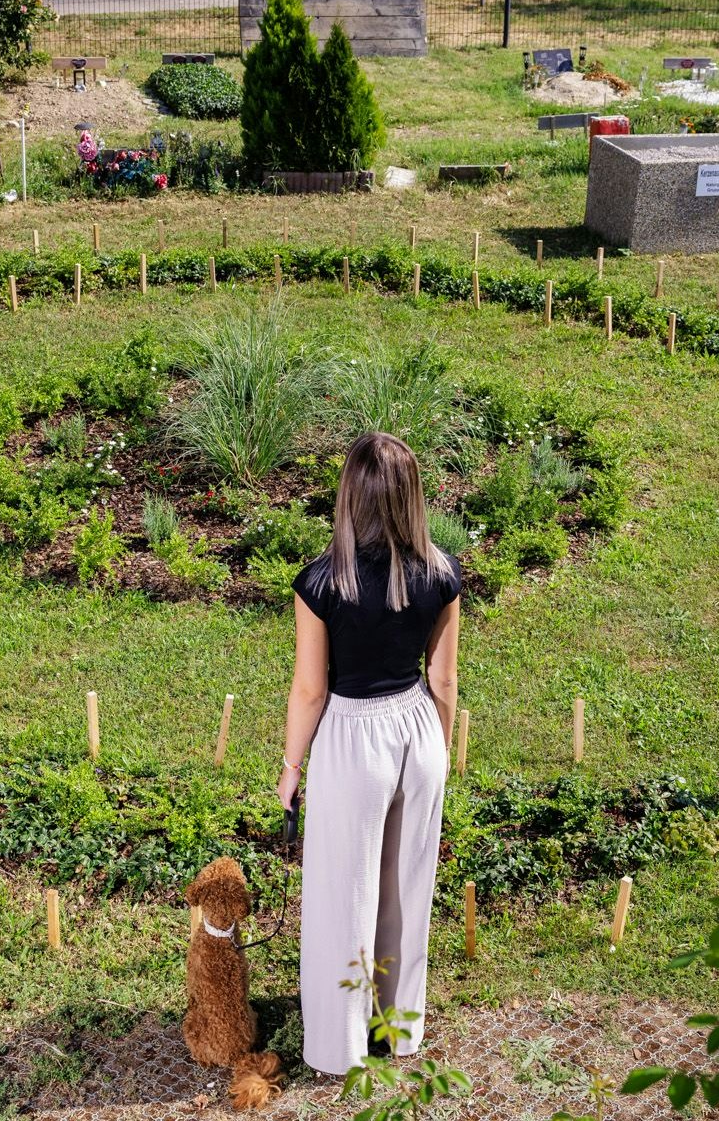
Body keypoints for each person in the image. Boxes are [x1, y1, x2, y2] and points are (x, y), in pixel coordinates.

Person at [275, 431, 463, 1075]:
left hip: (353, 736)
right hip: (417, 728)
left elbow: (309, 689)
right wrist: (436, 752)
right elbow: (443, 681)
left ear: (349, 497)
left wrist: (291, 768)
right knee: (406, 887)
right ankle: (397, 1031)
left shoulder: (321, 583)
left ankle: (340, 1043)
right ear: (411, 495)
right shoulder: (440, 573)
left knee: (343, 893)